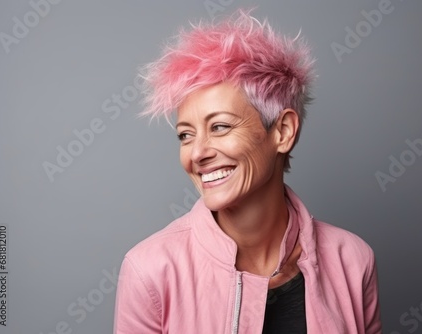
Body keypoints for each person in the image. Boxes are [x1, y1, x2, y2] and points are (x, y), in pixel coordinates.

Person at [114, 9, 382, 334]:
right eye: (186, 134)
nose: (197, 153)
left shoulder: (352, 260)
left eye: (220, 126)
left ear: (282, 131)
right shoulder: (150, 270)